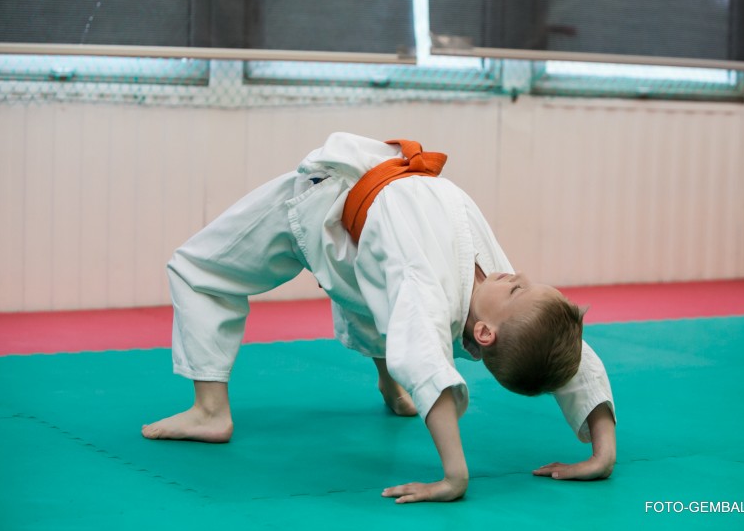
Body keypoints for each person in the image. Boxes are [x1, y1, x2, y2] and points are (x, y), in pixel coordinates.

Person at [142, 132, 616, 503]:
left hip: (320, 204)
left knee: (197, 268)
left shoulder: (427, 286)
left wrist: (454, 476)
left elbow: (427, 362)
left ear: (485, 332)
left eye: (518, 289)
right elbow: (565, 347)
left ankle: (209, 411)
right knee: (392, 306)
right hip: (367, 229)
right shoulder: (494, 284)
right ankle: (392, 389)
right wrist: (603, 453)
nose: (519, 275)